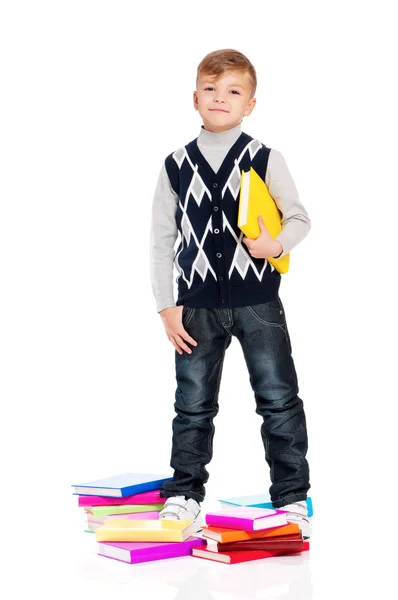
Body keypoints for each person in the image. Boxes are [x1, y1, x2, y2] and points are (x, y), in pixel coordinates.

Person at [149, 49, 311, 537]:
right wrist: (166, 305)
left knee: (278, 400)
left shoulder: (264, 157)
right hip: (195, 307)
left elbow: (299, 217)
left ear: (251, 104)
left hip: (258, 302)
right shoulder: (176, 165)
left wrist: (274, 244)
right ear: (194, 98)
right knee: (192, 404)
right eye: (211, 89)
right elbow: (161, 239)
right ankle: (184, 494)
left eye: (234, 91)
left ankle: (292, 499)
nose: (221, 99)